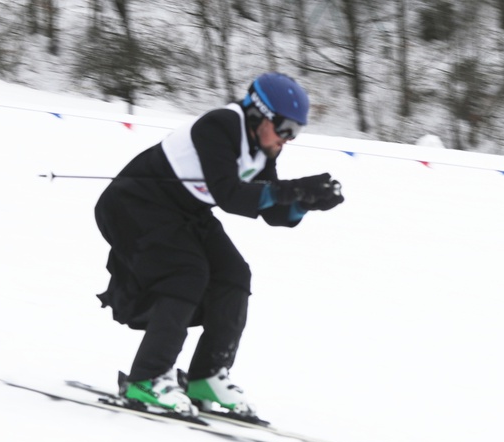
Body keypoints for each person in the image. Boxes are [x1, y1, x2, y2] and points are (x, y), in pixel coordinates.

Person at [94, 72, 344, 417]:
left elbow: (272, 213)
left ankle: (206, 377)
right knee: (186, 274)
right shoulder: (221, 125)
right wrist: (292, 189)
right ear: (259, 114)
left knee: (234, 275)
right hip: (133, 205)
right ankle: (147, 379)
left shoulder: (262, 148)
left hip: (184, 210)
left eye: (296, 132)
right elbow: (229, 195)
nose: (288, 139)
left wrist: (307, 202)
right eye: (286, 129)